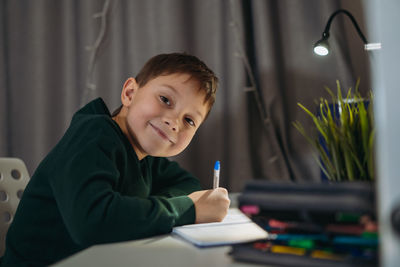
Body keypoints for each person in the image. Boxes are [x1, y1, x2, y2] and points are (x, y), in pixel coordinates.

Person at [1, 53, 230, 266]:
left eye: (189, 120)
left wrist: (139, 210)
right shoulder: (93, 135)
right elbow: (93, 222)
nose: (174, 122)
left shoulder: (145, 155)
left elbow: (188, 184)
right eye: (165, 100)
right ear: (130, 93)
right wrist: (187, 209)